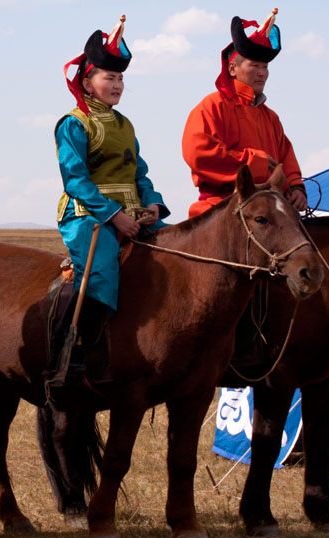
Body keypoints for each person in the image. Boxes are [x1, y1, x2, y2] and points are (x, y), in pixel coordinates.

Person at [48, 16, 169, 391]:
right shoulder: (74, 123)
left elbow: (141, 174)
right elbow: (76, 180)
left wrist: (154, 207)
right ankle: (82, 352)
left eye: (120, 79)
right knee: (100, 271)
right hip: (88, 216)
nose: (116, 85)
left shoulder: (125, 125)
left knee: (181, 255)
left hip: (134, 216)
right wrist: (115, 218)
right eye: (108, 77)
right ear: (87, 82)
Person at [182, 9, 307, 219]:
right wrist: (255, 163)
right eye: (255, 65)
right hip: (221, 208)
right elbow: (198, 153)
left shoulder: (271, 117)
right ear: (232, 68)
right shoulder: (212, 106)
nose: (261, 72)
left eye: (265, 66)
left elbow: (286, 158)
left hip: (269, 209)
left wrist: (296, 188)